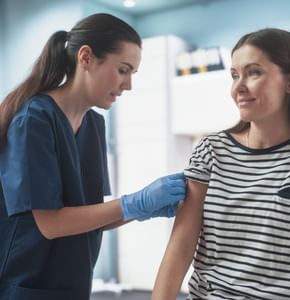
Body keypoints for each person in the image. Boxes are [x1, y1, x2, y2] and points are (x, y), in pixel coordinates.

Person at [0, 13, 186, 300]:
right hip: (27, 286)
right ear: (86, 57)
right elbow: (51, 224)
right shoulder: (34, 120)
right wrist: (132, 203)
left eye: (132, 74)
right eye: (123, 70)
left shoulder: (93, 124)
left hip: (73, 285)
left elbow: (91, 215)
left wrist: (142, 209)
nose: (128, 85)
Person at [151, 27, 290, 300]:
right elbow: (180, 249)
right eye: (234, 75)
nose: (238, 87)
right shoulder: (211, 151)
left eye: (253, 72)